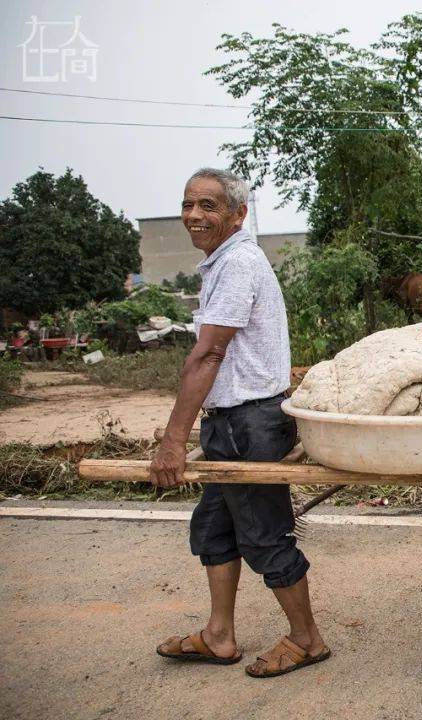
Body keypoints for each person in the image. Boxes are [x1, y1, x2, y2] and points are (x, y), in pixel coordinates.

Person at [150, 168, 330, 678]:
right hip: (231, 423)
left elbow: (207, 355)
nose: (193, 216)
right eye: (188, 205)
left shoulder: (238, 264)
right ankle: (219, 636)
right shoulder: (222, 263)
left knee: (265, 536)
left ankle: (307, 639)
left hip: (250, 425)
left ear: (237, 214)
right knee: (214, 529)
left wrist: (172, 441)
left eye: (208, 206)